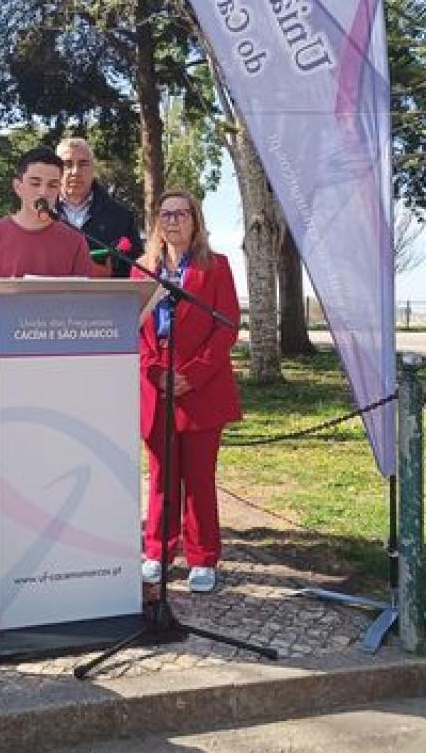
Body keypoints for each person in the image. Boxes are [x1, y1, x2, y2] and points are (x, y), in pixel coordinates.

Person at [134, 190, 240, 594]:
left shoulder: (217, 268)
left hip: (202, 386)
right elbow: (136, 328)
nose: (173, 221)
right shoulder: (142, 270)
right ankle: (157, 552)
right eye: (165, 214)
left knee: (198, 478)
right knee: (162, 477)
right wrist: (157, 371)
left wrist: (191, 374)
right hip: (156, 385)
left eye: (181, 214)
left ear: (195, 221)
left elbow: (226, 326)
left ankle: (202, 558)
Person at [0, 147, 95, 283]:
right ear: (18, 187)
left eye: (52, 185)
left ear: (59, 189)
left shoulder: (75, 241)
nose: (43, 192)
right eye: (35, 183)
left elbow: (84, 300)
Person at [54, 137, 144, 277]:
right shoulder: (39, 214)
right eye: (68, 164)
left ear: (93, 168)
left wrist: (107, 275)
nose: (75, 171)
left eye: (83, 164)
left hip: (105, 297)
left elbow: (136, 272)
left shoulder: (121, 217)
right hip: (50, 297)